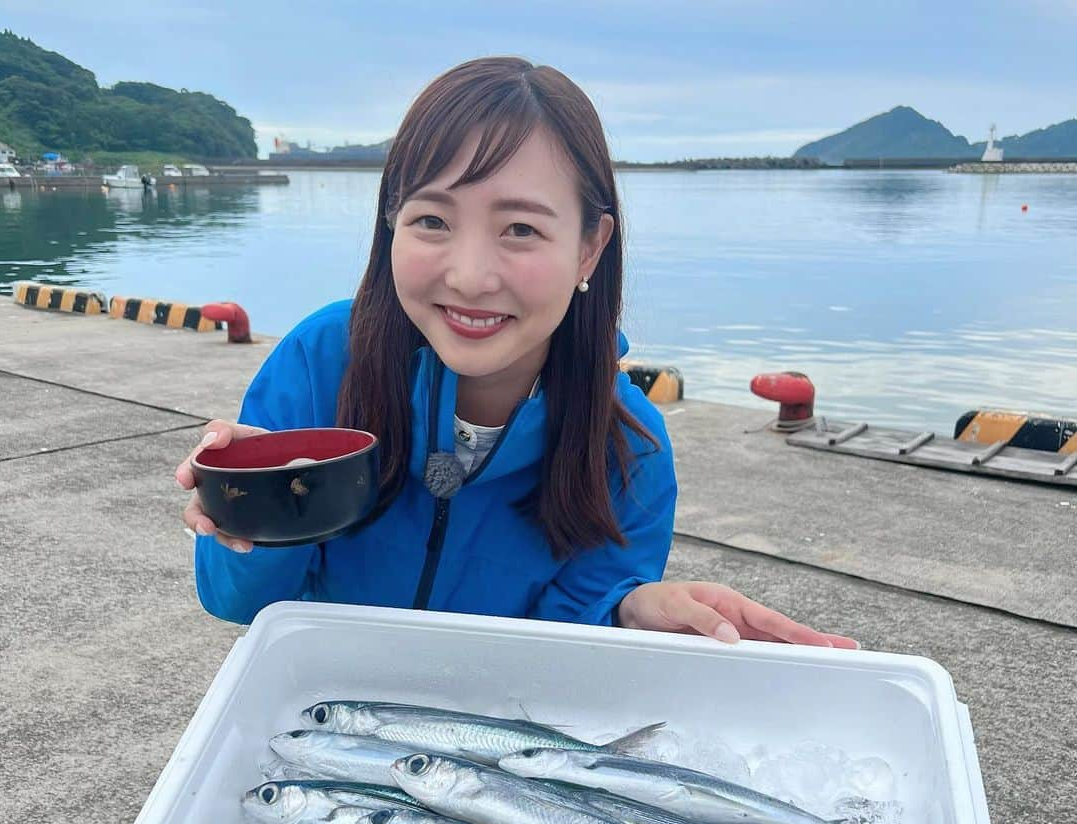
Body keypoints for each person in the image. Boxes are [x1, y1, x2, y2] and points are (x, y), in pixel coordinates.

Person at [175, 56, 855, 650]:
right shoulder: (324, 360)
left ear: (589, 247)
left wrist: (623, 612)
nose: (471, 276)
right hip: (325, 714)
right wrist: (253, 515)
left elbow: (556, 650)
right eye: (432, 220)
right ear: (390, 226)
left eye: (521, 228)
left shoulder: (630, 448)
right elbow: (239, 605)